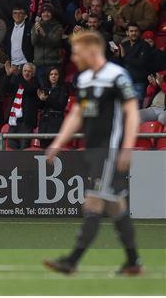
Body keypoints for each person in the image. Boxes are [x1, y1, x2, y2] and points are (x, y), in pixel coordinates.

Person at [44, 30, 142, 276]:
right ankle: (133, 262)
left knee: (93, 201)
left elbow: (132, 112)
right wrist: (58, 142)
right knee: (116, 205)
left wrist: (127, 147)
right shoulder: (85, 79)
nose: (74, 57)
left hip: (110, 148)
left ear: (91, 50)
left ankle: (71, 261)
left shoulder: (117, 76)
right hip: (93, 148)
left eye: (77, 52)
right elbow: (78, 113)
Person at [114, 23, 153, 108]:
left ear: (139, 32)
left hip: (138, 82)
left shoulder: (145, 45)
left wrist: (124, 56)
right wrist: (118, 57)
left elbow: (140, 63)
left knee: (136, 110)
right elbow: (121, 64)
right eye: (131, 31)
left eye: (136, 31)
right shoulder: (124, 45)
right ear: (127, 33)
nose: (134, 33)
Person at [6, 62, 40, 149]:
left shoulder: (35, 83)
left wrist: (18, 75)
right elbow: (6, 89)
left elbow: (28, 89)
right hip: (14, 121)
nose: (26, 73)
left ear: (33, 74)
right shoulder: (17, 82)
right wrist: (8, 75)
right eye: (24, 71)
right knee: (11, 144)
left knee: (24, 147)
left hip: (26, 122)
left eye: (29, 71)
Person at [31, 3, 63, 86]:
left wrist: (43, 33)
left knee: (52, 89)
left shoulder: (57, 27)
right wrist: (36, 31)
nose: (46, 14)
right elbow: (33, 42)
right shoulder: (36, 25)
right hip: (39, 64)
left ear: (52, 14)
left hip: (52, 64)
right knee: (41, 89)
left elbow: (55, 42)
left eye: (48, 12)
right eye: (44, 12)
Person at [37, 67, 69, 148]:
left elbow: (61, 105)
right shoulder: (45, 89)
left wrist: (47, 99)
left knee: (54, 149)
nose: (53, 76)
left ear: (59, 76)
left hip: (56, 123)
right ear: (48, 76)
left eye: (56, 74)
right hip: (44, 124)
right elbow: (40, 107)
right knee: (43, 149)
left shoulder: (63, 89)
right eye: (51, 74)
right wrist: (41, 99)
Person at [3, 5, 33, 70]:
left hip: (26, 64)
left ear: (25, 15)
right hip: (12, 65)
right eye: (15, 13)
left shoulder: (30, 27)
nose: (17, 15)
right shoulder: (9, 28)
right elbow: (5, 44)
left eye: (20, 13)